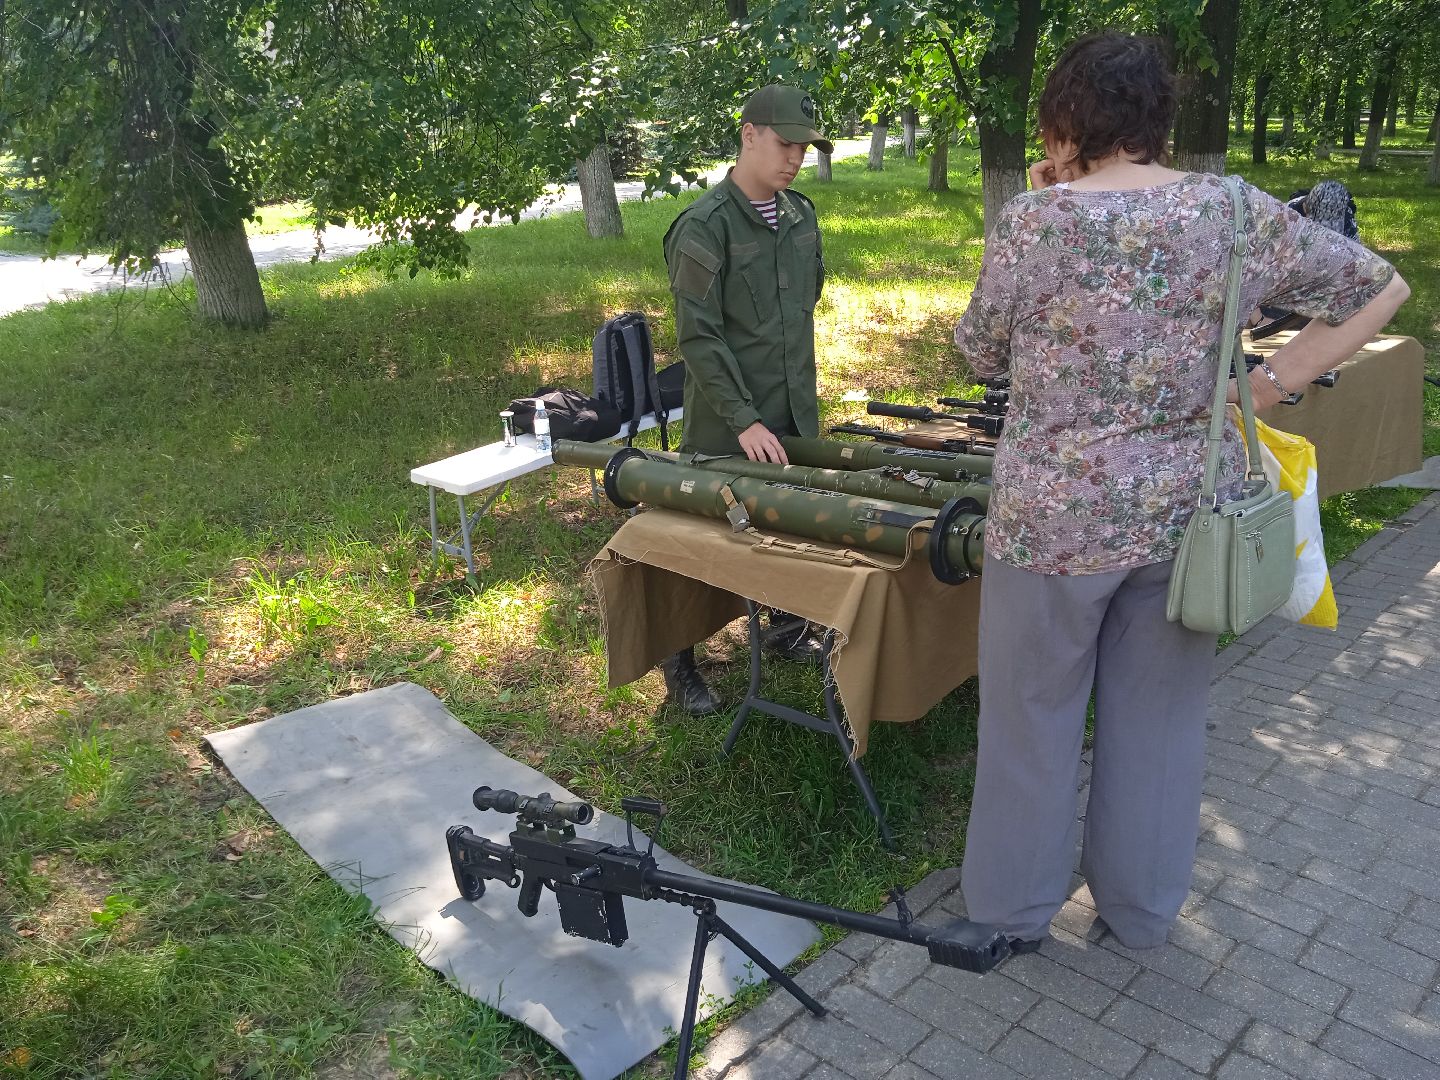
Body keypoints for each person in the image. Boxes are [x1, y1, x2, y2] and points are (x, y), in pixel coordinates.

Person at [952, 32, 1410, 952]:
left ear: (1066, 117)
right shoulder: (1231, 210)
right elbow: (1380, 285)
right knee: (1157, 725)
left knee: (1028, 721)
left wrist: (1047, 205)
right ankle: (1141, 912)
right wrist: (1274, 380)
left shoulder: (1035, 222)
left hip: (1052, 523)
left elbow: (978, 352)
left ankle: (1011, 914)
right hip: (1185, 514)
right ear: (1157, 118)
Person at [655, 83, 834, 714]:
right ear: (749, 134)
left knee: (786, 525)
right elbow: (698, 340)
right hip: (727, 426)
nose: (793, 158)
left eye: (803, 148)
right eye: (784, 143)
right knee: (697, 542)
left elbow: (801, 310)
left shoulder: (801, 216)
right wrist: (744, 419)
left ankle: (784, 626)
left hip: (792, 413)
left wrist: (790, 410)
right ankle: (679, 664)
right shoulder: (705, 228)